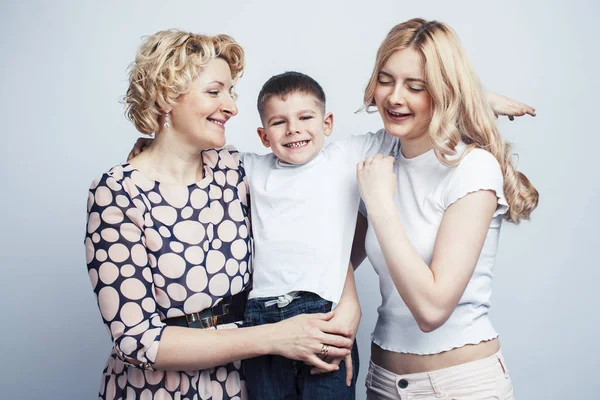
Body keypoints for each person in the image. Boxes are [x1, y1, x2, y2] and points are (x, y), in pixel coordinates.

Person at [84, 29, 354, 400]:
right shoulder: (118, 192)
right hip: (160, 391)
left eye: (231, 92)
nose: (232, 106)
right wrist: (278, 337)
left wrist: (346, 309)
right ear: (166, 96)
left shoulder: (233, 171)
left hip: (249, 383)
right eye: (215, 91)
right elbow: (136, 340)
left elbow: (312, 228)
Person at [354, 18, 538, 399]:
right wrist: (344, 306)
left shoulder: (472, 168)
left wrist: (381, 206)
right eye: (386, 80)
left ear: (442, 91)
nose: (394, 98)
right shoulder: (379, 151)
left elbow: (432, 309)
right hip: (381, 382)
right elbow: (332, 249)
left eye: (416, 86)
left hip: (459, 386)